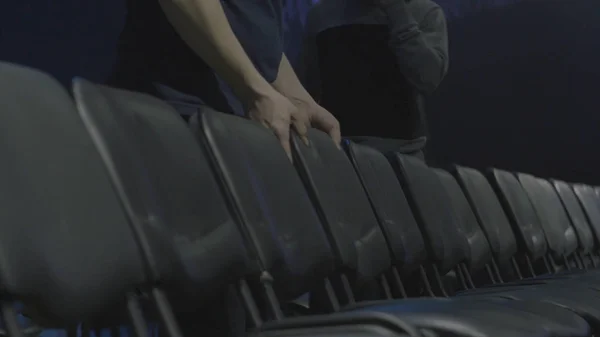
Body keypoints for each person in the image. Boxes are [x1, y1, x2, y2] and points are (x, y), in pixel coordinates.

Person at [107, 0, 341, 160]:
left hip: (231, 121)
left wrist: (297, 96)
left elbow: (251, 24)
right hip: (175, 116)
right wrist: (254, 90)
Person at [300, 0, 449, 160]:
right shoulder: (321, 15)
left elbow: (428, 79)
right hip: (338, 150)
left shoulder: (425, 11)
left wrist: (396, 9)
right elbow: (308, 87)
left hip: (404, 154)